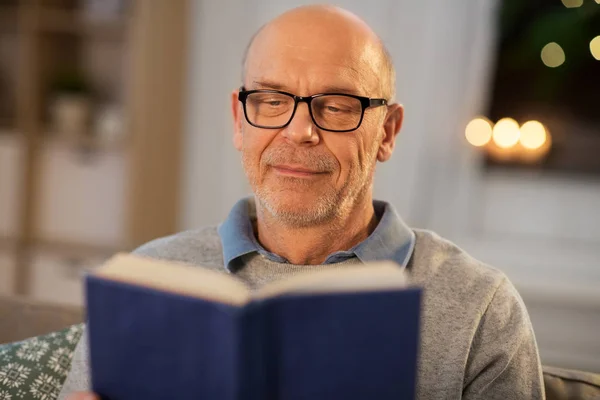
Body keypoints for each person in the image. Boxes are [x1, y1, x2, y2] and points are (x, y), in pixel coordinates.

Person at [62, 4, 545, 400]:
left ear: (387, 132)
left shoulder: (481, 307)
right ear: (238, 118)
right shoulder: (148, 280)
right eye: (271, 101)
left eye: (336, 106)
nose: (299, 131)